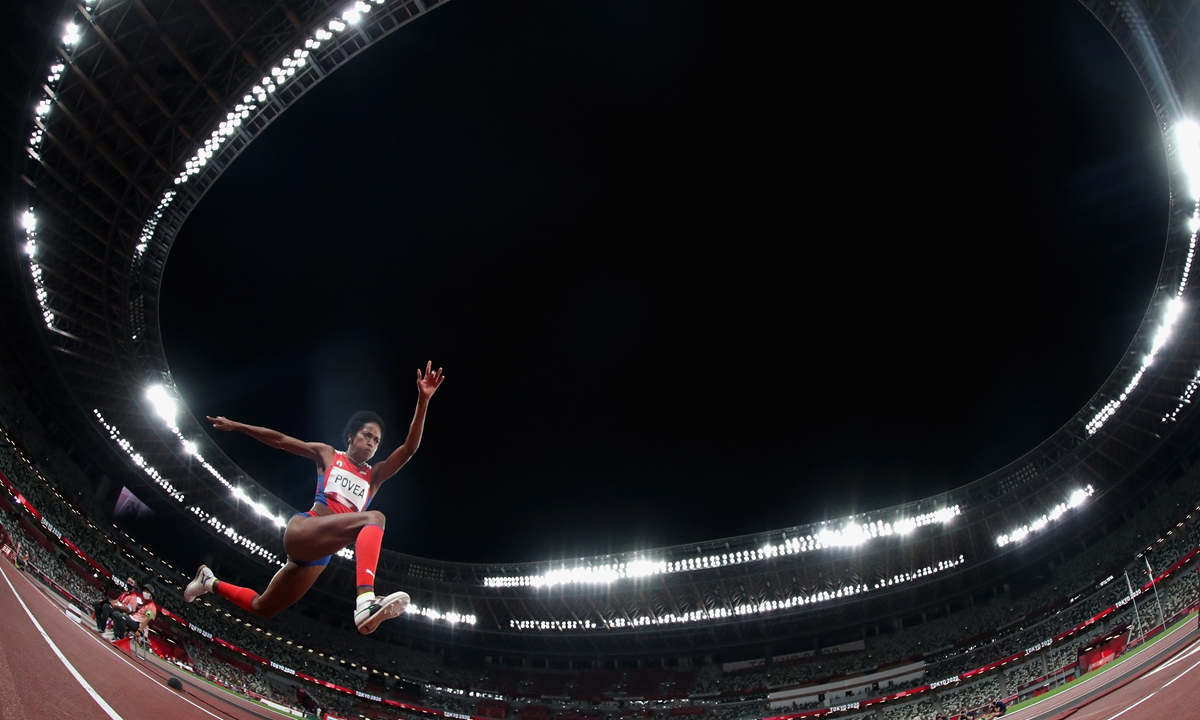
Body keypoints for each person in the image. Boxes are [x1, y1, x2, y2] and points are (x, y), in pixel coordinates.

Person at [184, 362, 445, 634]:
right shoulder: (329, 455)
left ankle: (208, 582)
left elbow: (409, 449)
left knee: (264, 607)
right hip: (304, 529)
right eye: (367, 435)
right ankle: (366, 599)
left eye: (377, 441)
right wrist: (237, 425)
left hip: (320, 555)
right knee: (376, 518)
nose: (371, 443)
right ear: (351, 436)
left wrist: (423, 400)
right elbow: (281, 440)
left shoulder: (375, 476)